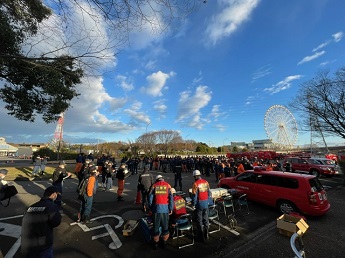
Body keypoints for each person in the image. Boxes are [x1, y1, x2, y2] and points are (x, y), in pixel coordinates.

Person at [21, 186, 62, 258]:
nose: (57, 196)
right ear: (53, 194)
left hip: (29, 244)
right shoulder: (52, 207)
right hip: (44, 244)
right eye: (56, 194)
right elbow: (56, 222)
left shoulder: (30, 207)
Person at [148, 175, 174, 249]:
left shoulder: (154, 186)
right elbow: (171, 198)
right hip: (165, 209)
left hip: (156, 209)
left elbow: (150, 198)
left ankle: (156, 244)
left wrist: (151, 208)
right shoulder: (168, 185)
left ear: (157, 180)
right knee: (165, 226)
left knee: (156, 227)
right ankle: (164, 242)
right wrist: (170, 208)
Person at [191, 169, 211, 242]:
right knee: (206, 218)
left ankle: (201, 236)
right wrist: (208, 201)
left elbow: (194, 196)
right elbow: (209, 193)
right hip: (206, 203)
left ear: (195, 176)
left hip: (199, 204)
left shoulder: (195, 184)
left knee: (199, 220)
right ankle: (207, 233)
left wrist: (193, 204)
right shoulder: (206, 182)